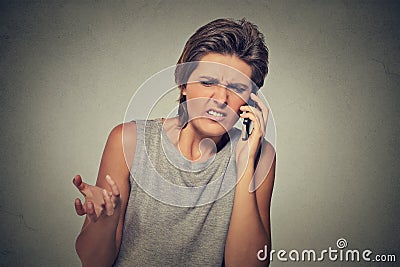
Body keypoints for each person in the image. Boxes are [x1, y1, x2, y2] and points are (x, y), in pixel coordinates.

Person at [73, 18, 276, 267]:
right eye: (208, 82)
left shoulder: (260, 155)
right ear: (182, 84)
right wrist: (105, 221)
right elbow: (93, 263)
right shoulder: (129, 140)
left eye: (236, 88)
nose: (221, 98)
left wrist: (245, 164)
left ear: (251, 100)